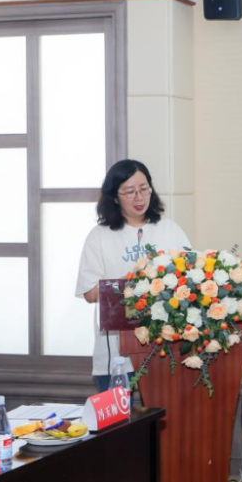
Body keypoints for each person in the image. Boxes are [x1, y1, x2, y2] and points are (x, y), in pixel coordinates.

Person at [75, 160, 191, 392]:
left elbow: (190, 279)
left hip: (164, 347)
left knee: (165, 413)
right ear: (114, 197)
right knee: (119, 416)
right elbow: (89, 293)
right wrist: (130, 283)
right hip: (115, 353)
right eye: (129, 192)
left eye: (144, 189)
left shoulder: (169, 229)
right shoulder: (99, 236)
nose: (139, 197)